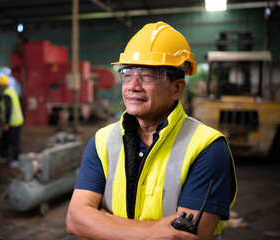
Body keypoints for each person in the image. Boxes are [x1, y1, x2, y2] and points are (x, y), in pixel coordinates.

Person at [66, 21, 237, 240]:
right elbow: (75, 219)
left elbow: (183, 236)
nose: (133, 86)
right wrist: (150, 232)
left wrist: (102, 219)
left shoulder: (207, 148)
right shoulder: (102, 141)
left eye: (148, 75)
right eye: (127, 74)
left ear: (177, 88)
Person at [0, 75, 24, 168]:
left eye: (0, 85)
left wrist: (7, 123)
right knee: (5, 139)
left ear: (3, 85)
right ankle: (2, 155)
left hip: (13, 122)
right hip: (16, 121)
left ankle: (16, 160)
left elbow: (8, 109)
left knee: (14, 141)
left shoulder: (7, 94)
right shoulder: (11, 91)